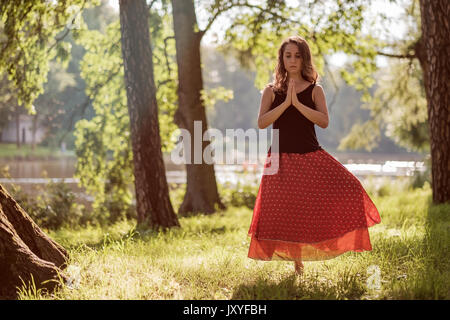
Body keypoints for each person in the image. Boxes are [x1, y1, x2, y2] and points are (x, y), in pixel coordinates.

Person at [247, 36, 381, 275]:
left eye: (297, 56)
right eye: (288, 55)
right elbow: (261, 122)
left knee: (350, 186)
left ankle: (333, 244)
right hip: (279, 159)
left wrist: (297, 104)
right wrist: (286, 103)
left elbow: (324, 121)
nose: (293, 60)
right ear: (282, 59)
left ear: (304, 58)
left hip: (310, 156)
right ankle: (297, 262)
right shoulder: (270, 91)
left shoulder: (315, 89)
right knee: (287, 211)